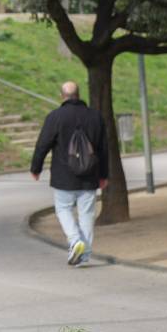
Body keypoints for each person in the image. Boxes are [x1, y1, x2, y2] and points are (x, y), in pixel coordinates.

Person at [30, 81, 110, 267]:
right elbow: (104, 149)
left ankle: (75, 241)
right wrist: (104, 175)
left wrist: (36, 168)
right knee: (87, 214)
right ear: (79, 95)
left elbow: (43, 144)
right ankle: (85, 253)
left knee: (63, 209)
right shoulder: (95, 117)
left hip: (63, 176)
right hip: (90, 176)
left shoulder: (55, 117)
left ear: (62, 96)